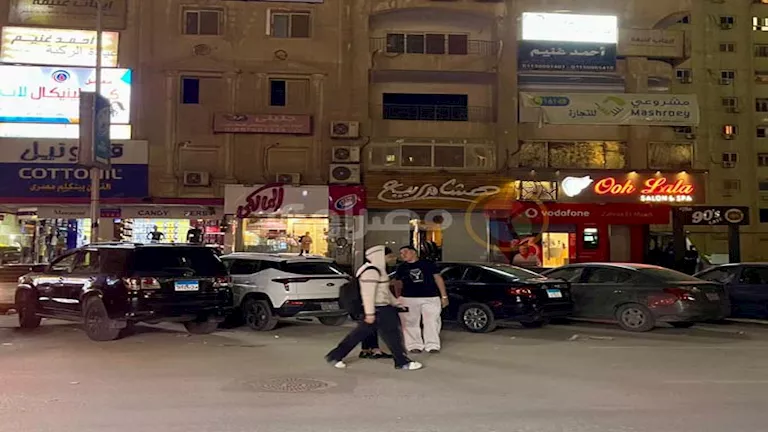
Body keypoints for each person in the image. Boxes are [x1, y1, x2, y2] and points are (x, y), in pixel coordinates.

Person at [325, 245, 422, 370]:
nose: (392, 258)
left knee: (363, 335)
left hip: (381, 308)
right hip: (378, 309)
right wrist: (370, 313)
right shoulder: (371, 271)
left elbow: (385, 291)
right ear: (380, 256)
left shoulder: (379, 270)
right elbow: (368, 294)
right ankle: (402, 362)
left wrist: (396, 303)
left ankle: (336, 356)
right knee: (390, 335)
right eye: (389, 256)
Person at [394, 245, 448, 354]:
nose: (403, 255)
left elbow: (438, 278)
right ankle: (414, 345)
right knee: (410, 322)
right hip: (408, 298)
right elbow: (398, 283)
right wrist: (398, 297)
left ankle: (432, 345)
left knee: (432, 321)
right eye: (401, 253)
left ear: (414, 252)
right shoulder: (401, 267)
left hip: (430, 297)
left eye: (405, 252)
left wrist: (444, 296)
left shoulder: (428, 264)